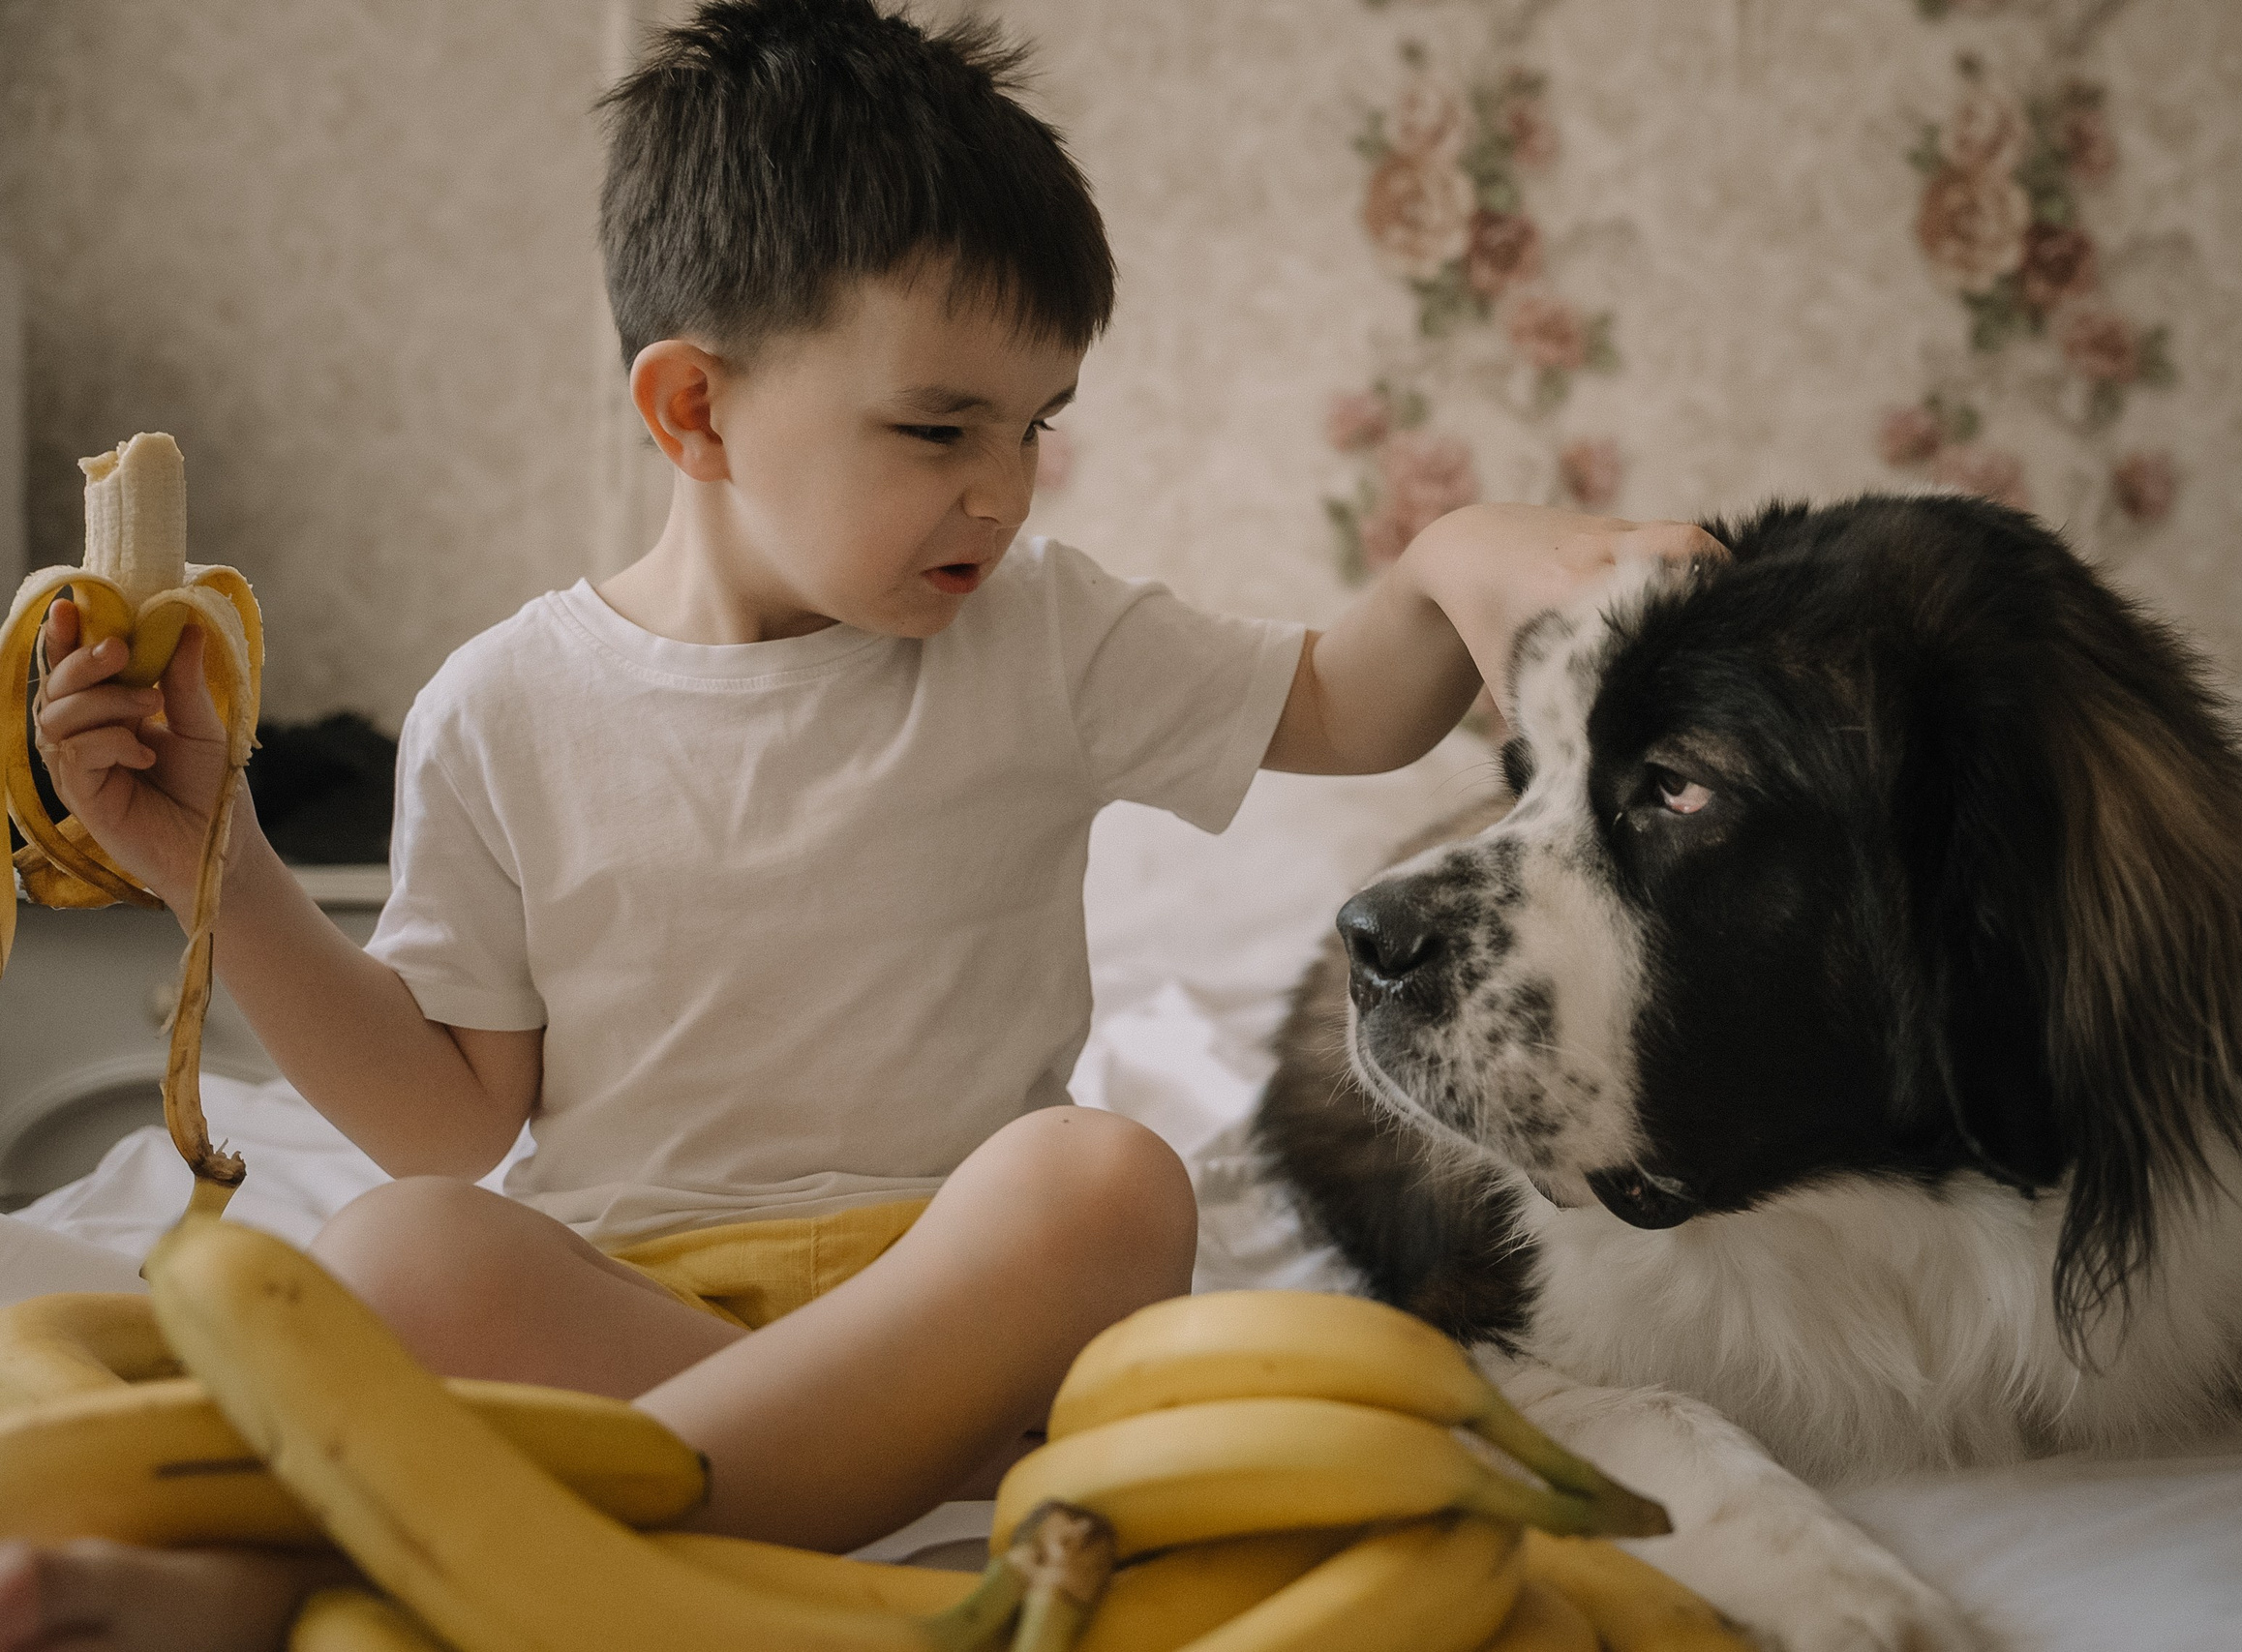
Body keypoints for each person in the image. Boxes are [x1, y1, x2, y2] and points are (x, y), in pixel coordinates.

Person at [0, 2, 1715, 1645]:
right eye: (938, 427)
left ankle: (552, 1532)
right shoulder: (500, 708)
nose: (1003, 489)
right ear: (695, 409)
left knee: (1104, 1176)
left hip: (968, 1293)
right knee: (392, 1250)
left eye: (1032, 428)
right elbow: (446, 1126)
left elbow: (1343, 704)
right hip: (642, 1305)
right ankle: (846, 1481)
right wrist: (218, 862)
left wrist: (1455, 557)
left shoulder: (1043, 635)